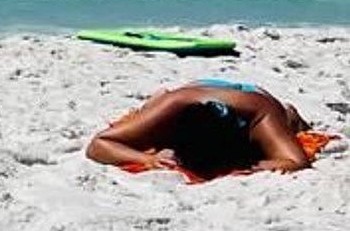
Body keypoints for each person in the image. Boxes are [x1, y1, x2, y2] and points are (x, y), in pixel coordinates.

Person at [86, 81, 316, 179]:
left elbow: (296, 161)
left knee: (288, 123)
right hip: (192, 91)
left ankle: (290, 114)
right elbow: (99, 144)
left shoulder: (259, 113)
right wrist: (148, 158)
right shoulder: (173, 108)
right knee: (153, 105)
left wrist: (254, 167)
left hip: (254, 96)